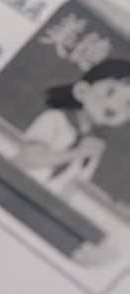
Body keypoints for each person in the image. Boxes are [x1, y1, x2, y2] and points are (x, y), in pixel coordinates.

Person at [11, 58, 130, 193]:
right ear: (82, 91)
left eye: (128, 103)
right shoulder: (55, 118)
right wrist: (76, 153)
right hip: (11, 184)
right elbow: (28, 158)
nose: (116, 105)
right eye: (110, 92)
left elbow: (73, 185)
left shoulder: (96, 145)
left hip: (39, 200)